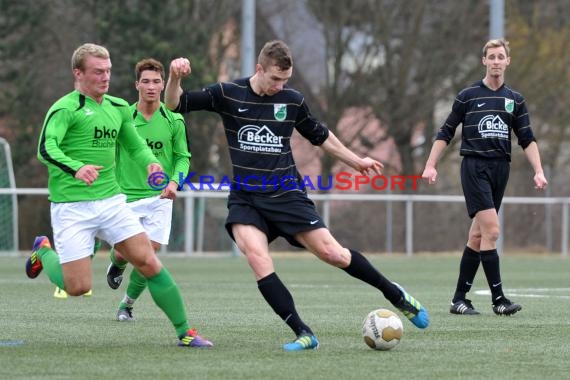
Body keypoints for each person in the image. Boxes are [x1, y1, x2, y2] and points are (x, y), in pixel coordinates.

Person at [164, 40, 429, 351]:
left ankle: (395, 294)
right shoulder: (228, 93)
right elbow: (174, 104)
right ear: (259, 69)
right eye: (275, 79)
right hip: (246, 197)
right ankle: (304, 333)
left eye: (285, 80)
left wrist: (355, 160)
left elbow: (320, 134)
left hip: (287, 193)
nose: (280, 86)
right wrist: (175, 77)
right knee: (257, 258)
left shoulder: (291, 100)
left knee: (335, 254)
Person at [28, 43, 212, 347]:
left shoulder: (116, 108)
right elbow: (46, 148)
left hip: (113, 202)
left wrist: (149, 161)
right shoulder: (65, 108)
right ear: (78, 73)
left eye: (108, 71)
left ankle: (185, 332)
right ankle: (43, 251)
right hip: (72, 207)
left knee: (149, 262)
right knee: (77, 286)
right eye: (98, 72)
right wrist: (76, 168)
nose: (105, 77)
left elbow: (135, 144)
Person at [421, 38, 548, 316]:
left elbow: (527, 138)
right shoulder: (467, 96)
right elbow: (445, 132)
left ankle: (458, 299)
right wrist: (431, 164)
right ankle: (499, 300)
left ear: (507, 62)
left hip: (501, 169)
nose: (495, 62)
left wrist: (539, 170)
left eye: (500, 57)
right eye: (491, 57)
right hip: (474, 167)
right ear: (484, 61)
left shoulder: (515, 100)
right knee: (492, 231)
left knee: (478, 236)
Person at [104, 58, 191, 322]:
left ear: (163, 84)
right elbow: (108, 152)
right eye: (146, 81)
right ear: (136, 85)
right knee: (123, 252)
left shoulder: (173, 120)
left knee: (147, 255)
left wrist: (174, 182)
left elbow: (183, 157)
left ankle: (127, 305)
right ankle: (117, 263)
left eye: (156, 81)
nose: (151, 87)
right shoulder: (123, 118)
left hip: (160, 198)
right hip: (125, 197)